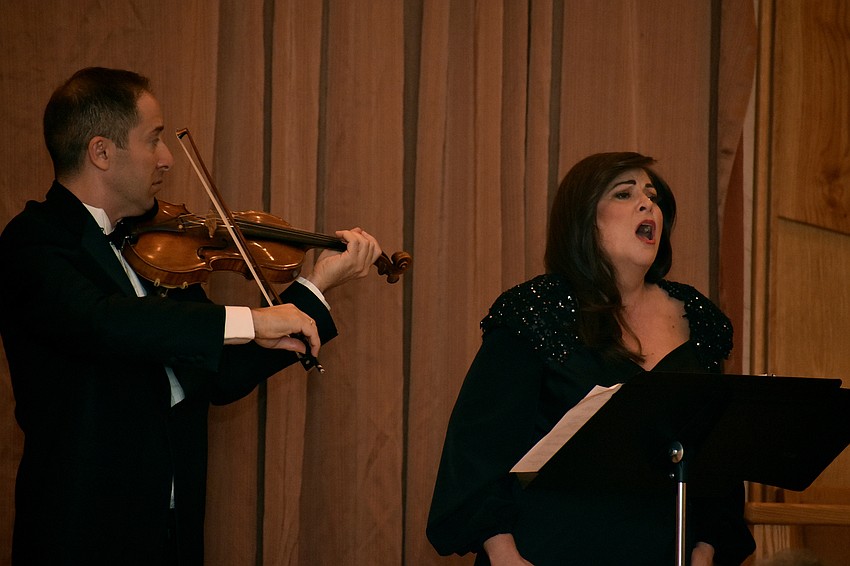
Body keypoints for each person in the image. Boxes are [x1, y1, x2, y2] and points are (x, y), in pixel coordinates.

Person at [0, 67, 382, 565]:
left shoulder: (155, 246)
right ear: (101, 152)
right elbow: (105, 322)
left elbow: (215, 376)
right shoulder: (35, 242)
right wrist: (250, 321)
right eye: (154, 139)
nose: (167, 158)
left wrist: (315, 286)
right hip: (82, 532)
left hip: (173, 531)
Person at [426, 152, 756, 565]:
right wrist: (505, 554)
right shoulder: (535, 310)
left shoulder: (700, 319)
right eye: (624, 193)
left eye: (652, 196)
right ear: (584, 220)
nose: (646, 204)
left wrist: (705, 550)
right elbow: (477, 451)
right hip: (546, 551)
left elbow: (716, 463)